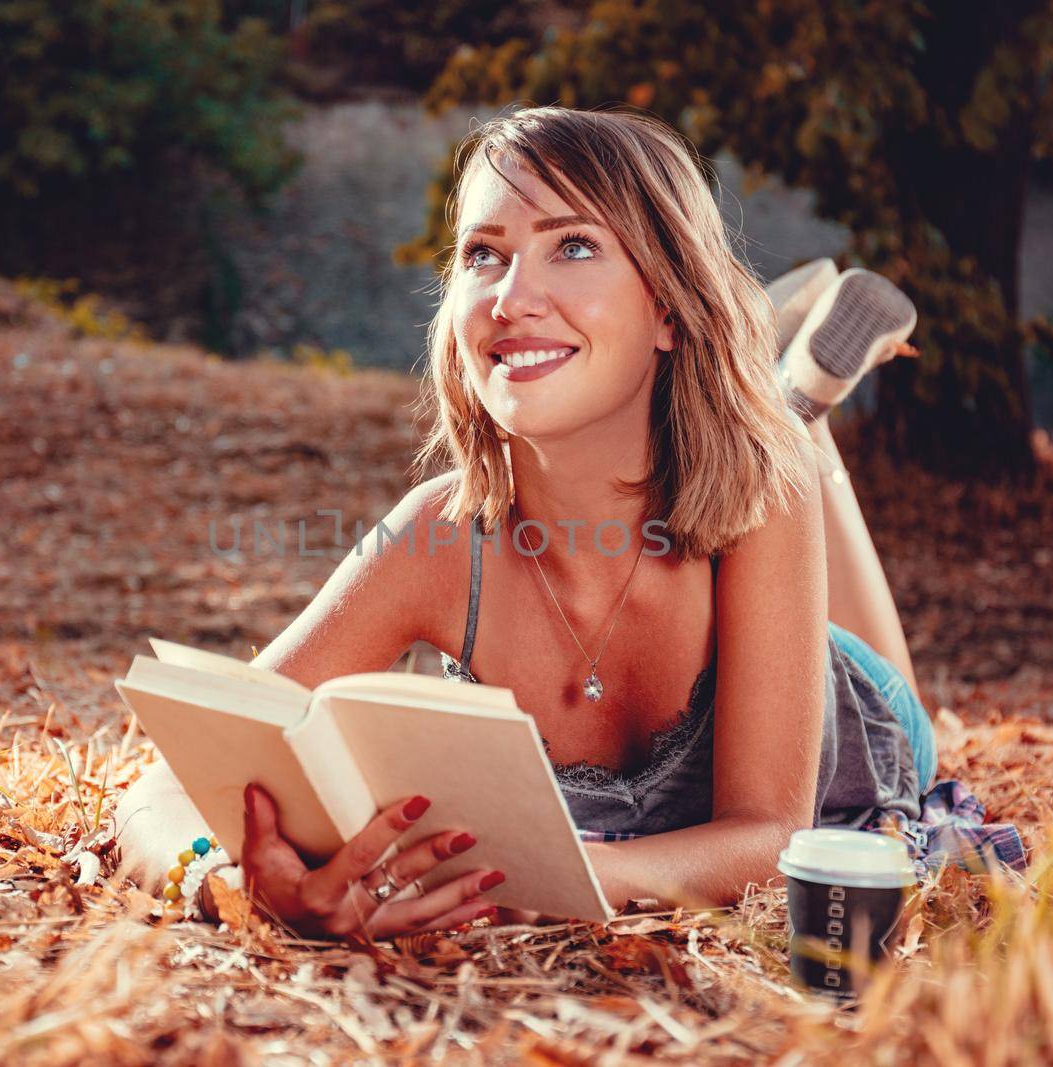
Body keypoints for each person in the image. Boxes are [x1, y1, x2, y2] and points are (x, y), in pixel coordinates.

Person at [115, 106, 937, 941]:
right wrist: (224, 882)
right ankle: (784, 391)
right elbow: (166, 786)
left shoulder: (765, 498)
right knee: (775, 445)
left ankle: (799, 407)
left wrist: (566, 878)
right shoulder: (438, 536)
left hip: (851, 720)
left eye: (573, 245)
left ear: (670, 310)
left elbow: (771, 835)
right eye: (484, 254)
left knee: (789, 460)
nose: (511, 298)